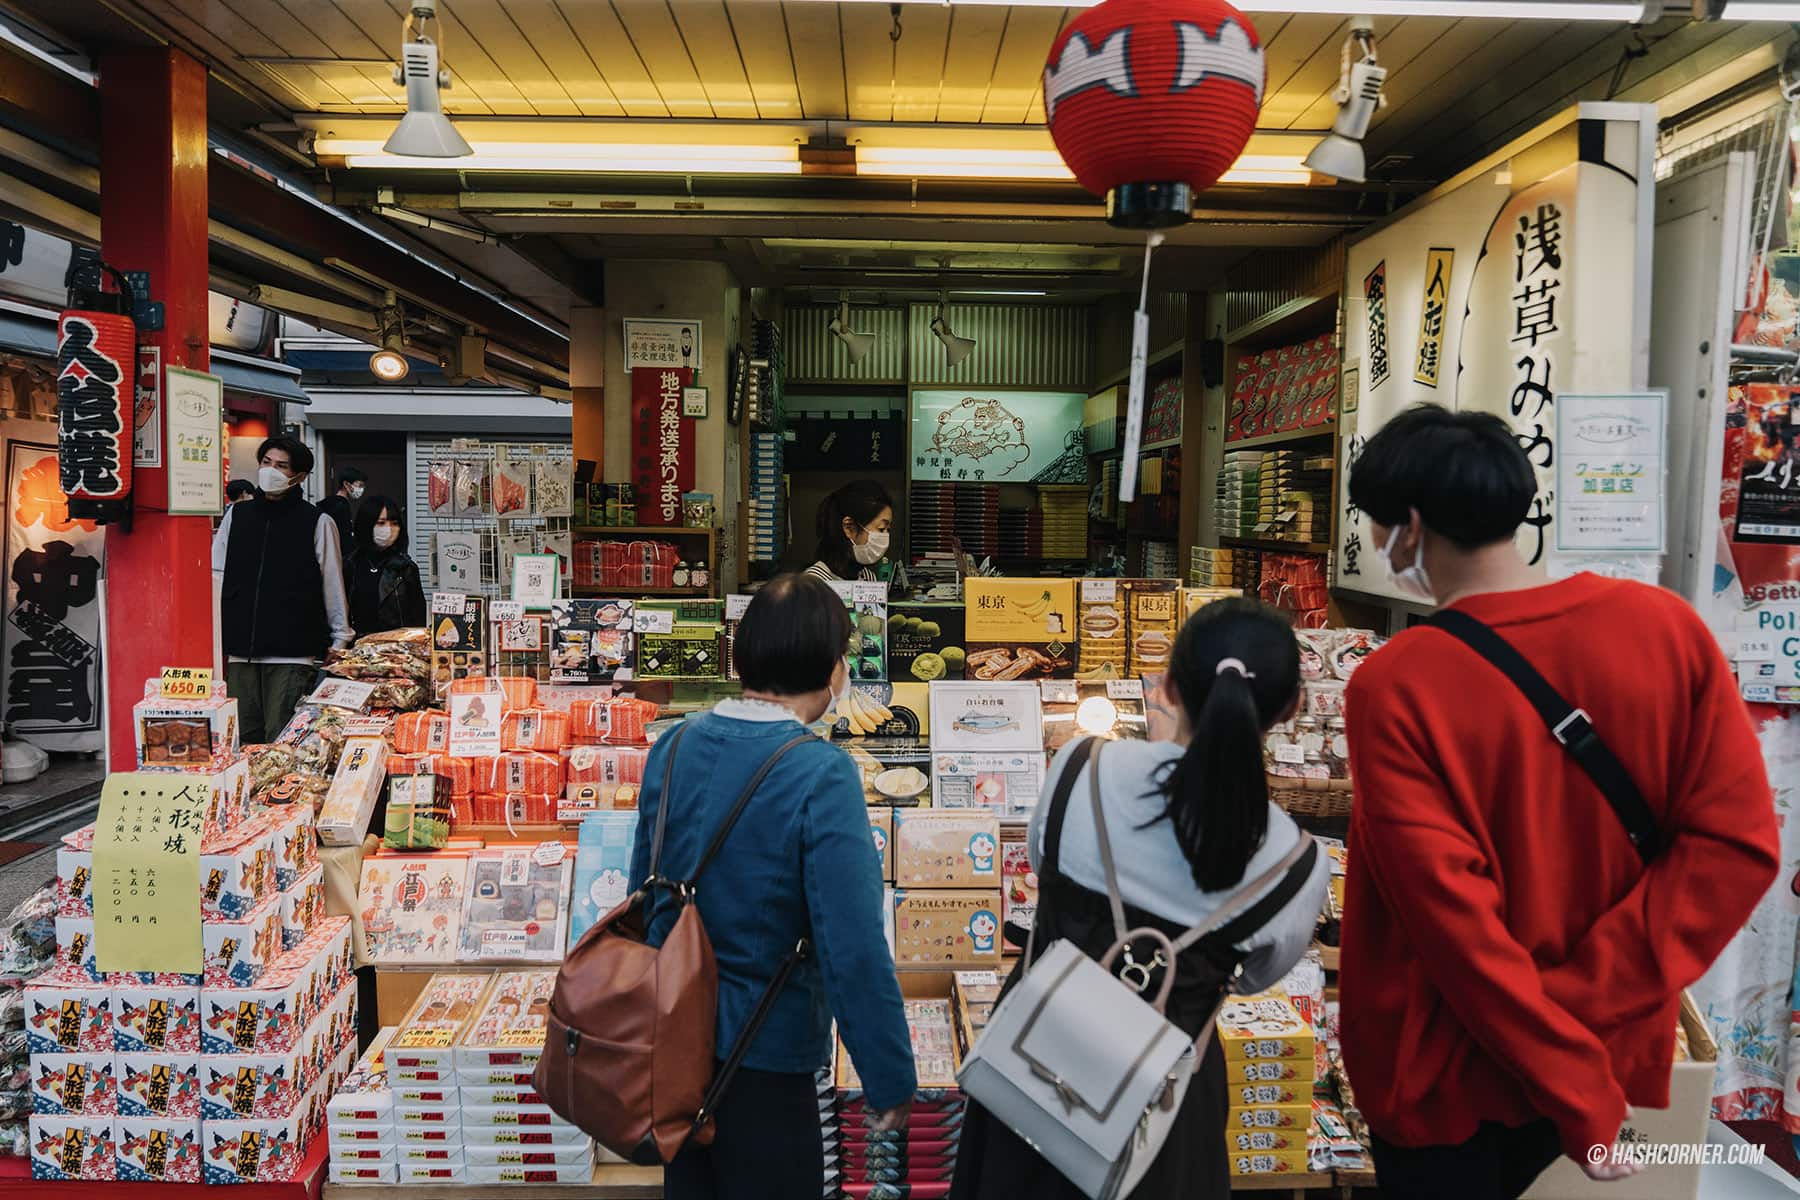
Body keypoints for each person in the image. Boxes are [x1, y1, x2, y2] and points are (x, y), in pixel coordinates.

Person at [1338, 403, 1780, 1198]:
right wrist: (1586, 1018)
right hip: (1607, 1052)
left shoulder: (1396, 684)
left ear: (1409, 526)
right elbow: (1736, 846)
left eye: (1375, 525)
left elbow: (1453, 923)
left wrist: (1562, 1062)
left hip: (1449, 1071)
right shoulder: (1665, 629)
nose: (1376, 544)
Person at [951, 597, 1329, 1200]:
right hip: (1161, 1117)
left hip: (1033, 1074)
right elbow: (1256, 978)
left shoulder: (1080, 768)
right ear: (1291, 707)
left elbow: (1044, 869)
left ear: (1169, 686)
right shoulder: (1297, 863)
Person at [630, 573, 914, 1200]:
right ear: (831, 667)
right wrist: (889, 1076)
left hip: (675, 1052)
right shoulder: (821, 773)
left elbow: (644, 901)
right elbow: (852, 944)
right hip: (769, 1057)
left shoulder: (672, 747)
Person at [212, 435, 353, 743]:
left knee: (283, 740)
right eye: (266, 463)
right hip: (240, 653)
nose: (270, 470)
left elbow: (332, 581)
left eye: (281, 466)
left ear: (299, 476)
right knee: (241, 740)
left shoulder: (318, 521)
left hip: (292, 653)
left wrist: (340, 636)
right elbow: (216, 575)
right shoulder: (237, 515)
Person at [345, 495, 425, 638]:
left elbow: (417, 618)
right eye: (381, 523)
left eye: (394, 523)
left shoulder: (406, 568)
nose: (389, 529)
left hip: (396, 648)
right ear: (367, 524)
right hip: (356, 648)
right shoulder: (350, 565)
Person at [806, 480, 893, 583]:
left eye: (888, 530)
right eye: (881, 529)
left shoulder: (868, 577)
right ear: (849, 527)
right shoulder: (814, 582)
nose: (885, 537)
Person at [318, 464, 366, 554]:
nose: (362, 489)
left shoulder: (330, 503)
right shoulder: (341, 506)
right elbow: (344, 538)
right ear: (346, 484)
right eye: (360, 485)